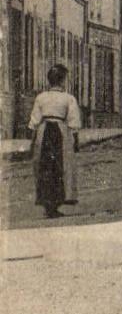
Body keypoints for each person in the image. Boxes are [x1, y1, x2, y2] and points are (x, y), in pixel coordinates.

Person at [28, 64, 81, 219]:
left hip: (43, 132)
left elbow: (34, 121)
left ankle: (47, 204)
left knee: (44, 167)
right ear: (63, 80)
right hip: (61, 132)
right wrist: (75, 141)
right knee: (60, 167)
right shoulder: (68, 98)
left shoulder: (41, 97)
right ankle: (56, 203)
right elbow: (73, 121)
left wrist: (32, 142)